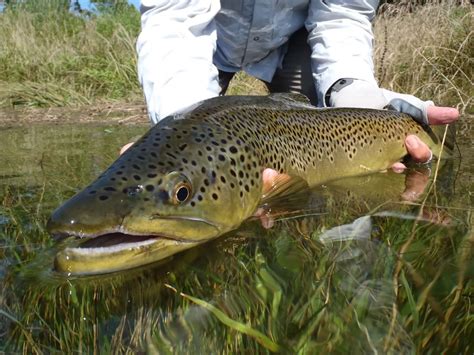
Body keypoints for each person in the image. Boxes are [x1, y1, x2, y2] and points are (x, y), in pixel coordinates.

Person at [131, 0, 458, 173]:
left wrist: (352, 91)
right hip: (211, 40)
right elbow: (174, 22)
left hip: (296, 38)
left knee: (314, 155)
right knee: (186, 140)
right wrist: (179, 132)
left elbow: (342, 16)